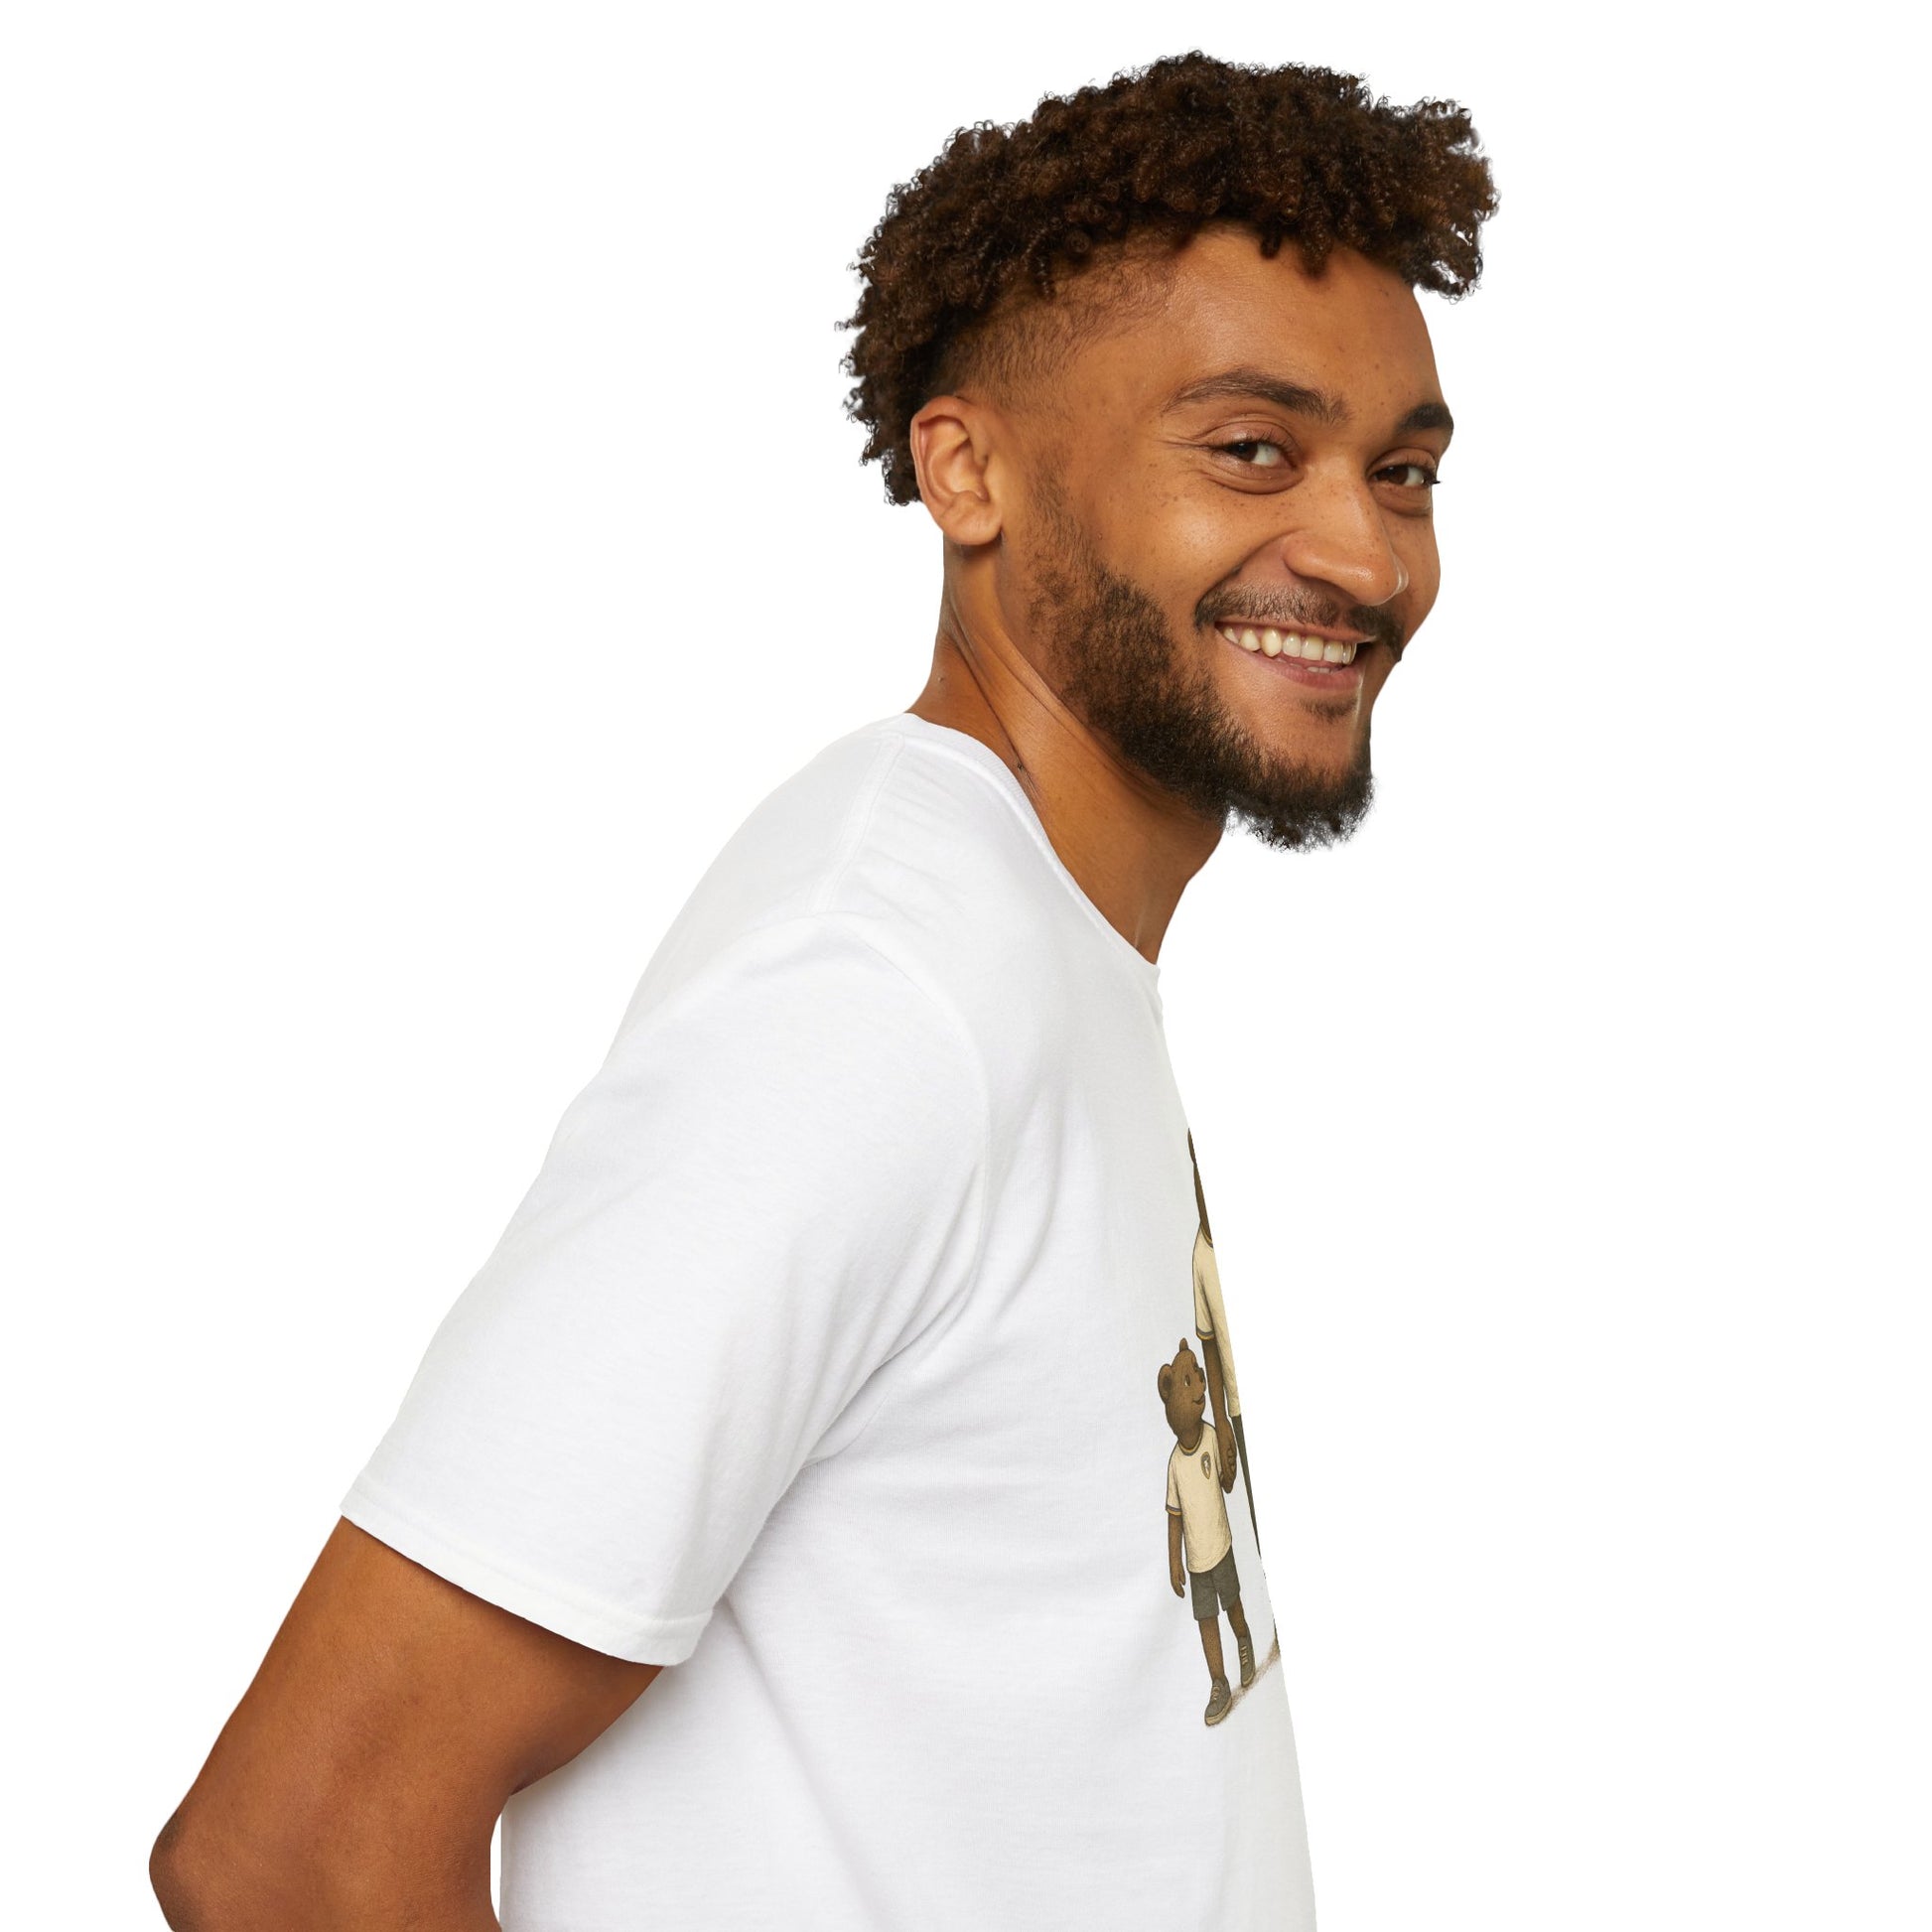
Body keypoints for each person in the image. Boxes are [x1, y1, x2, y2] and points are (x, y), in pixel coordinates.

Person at [151, 52, 1497, 1932]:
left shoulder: (1022, 944)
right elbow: (294, 1845)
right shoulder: (877, 991)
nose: (1363, 551)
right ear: (970, 470)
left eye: (1404, 471)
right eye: (1249, 450)